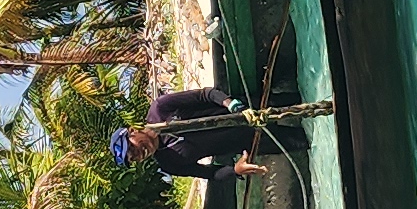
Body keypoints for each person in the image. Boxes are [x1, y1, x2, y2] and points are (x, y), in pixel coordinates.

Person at [112, 84, 328, 181]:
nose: (139, 152)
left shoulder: (161, 109)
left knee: (306, 98)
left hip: (248, 109)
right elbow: (210, 173)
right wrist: (235, 169)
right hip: (253, 141)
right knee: (312, 140)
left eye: (133, 146)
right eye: (135, 157)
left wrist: (229, 103)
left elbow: (205, 94)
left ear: (133, 131)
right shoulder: (170, 163)